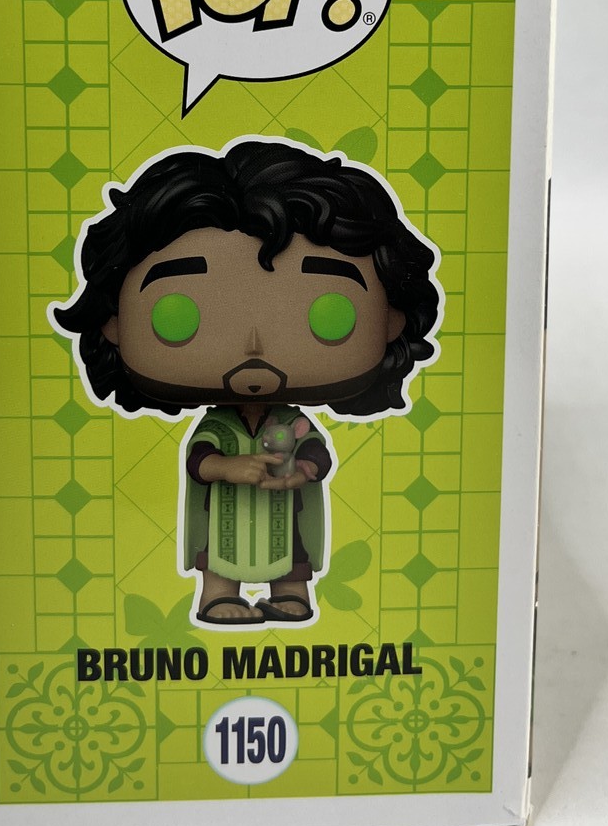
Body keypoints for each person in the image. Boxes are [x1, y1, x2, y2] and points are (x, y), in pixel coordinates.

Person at [50, 139, 441, 625]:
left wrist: (306, 470)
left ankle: (291, 593)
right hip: (228, 514)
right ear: (114, 323)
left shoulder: (293, 422)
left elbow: (316, 451)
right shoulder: (218, 425)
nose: (254, 345)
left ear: (391, 321)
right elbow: (199, 460)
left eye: (330, 315)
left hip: (283, 510)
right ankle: (218, 595)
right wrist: (227, 467)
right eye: (178, 315)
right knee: (219, 553)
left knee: (292, 552)